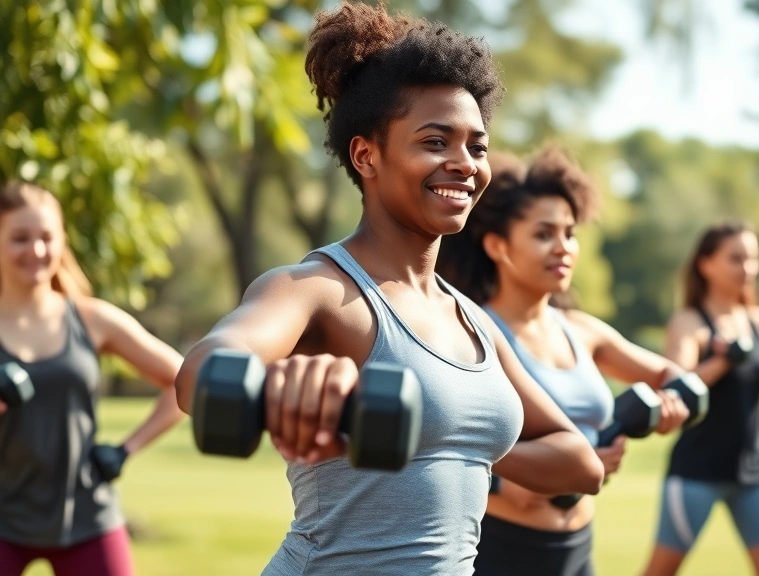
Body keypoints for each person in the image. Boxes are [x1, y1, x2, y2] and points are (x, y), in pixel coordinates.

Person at [172, 4, 604, 575]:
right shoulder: (316, 290)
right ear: (366, 155)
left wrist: (454, 444)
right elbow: (201, 371)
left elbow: (580, 463)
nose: (464, 164)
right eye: (435, 142)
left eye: (477, 146)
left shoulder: (471, 320)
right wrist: (283, 383)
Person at [436, 147, 691, 576]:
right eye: (543, 234)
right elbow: (442, 437)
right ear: (498, 246)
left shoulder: (582, 330)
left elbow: (674, 377)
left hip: (576, 547)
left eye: (570, 233)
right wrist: (509, 478)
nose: (563, 247)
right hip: (499, 547)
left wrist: (669, 408)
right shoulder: (470, 331)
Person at [0, 181, 184, 576]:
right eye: (19, 238)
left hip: (86, 516)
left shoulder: (92, 319)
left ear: (61, 241)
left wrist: (124, 450)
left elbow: (182, 382)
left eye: (46, 237)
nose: (35, 250)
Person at [642, 221, 759, 576]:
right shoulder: (689, 323)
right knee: (660, 572)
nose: (747, 268)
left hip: (753, 471)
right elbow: (676, 389)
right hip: (697, 471)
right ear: (706, 264)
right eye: (736, 258)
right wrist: (722, 360)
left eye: (753, 258)